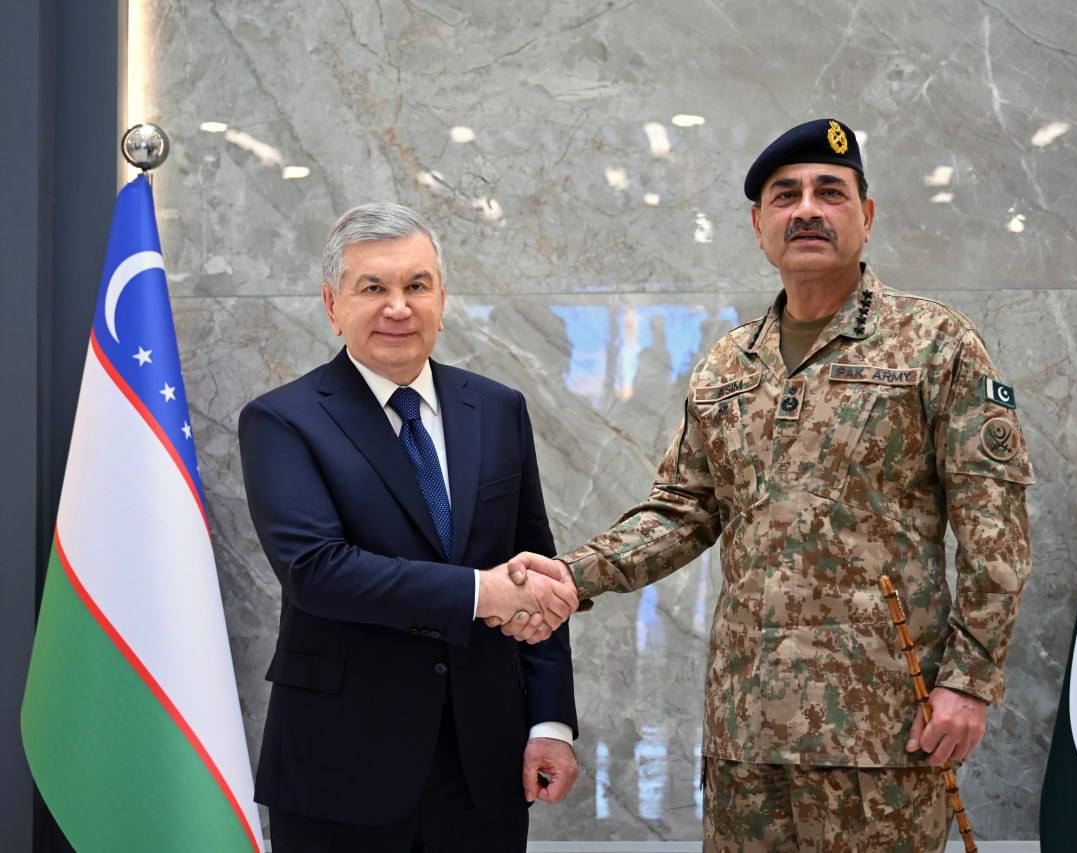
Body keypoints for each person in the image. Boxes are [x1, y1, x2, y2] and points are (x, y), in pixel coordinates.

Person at [498, 119, 1034, 851]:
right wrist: (571, 574)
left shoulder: (936, 344)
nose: (807, 209)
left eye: (830, 192)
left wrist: (968, 681)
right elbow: (683, 511)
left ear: (867, 216)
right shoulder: (729, 364)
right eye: (786, 195)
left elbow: (994, 534)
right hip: (746, 733)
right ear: (759, 226)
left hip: (883, 731)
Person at [238, 203, 581, 852]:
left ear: (441, 300)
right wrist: (480, 593)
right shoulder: (282, 420)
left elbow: (534, 565)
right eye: (373, 287)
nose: (398, 307)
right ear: (332, 304)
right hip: (341, 768)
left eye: (416, 285)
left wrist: (551, 723)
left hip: (484, 770)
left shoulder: (498, 409)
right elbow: (317, 570)